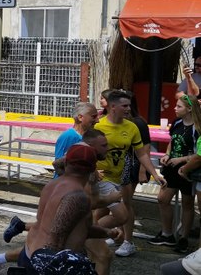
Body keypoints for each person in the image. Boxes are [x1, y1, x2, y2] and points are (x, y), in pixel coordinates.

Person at [94, 89, 166, 257]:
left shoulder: (132, 127)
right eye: (124, 105)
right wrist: (92, 170)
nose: (128, 108)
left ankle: (93, 232)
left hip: (121, 175)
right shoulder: (99, 126)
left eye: (129, 105)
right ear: (112, 106)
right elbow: (87, 149)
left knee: (120, 211)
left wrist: (155, 175)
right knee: (120, 214)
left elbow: (142, 153)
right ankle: (90, 231)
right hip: (102, 177)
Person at [19, 145, 109, 275]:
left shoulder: (53, 185)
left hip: (30, 253)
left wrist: (108, 232)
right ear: (93, 169)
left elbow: (80, 228)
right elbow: (55, 237)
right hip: (45, 263)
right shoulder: (77, 197)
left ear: (66, 163)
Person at [150, 94, 200, 253]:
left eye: (179, 106)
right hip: (172, 168)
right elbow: (172, 141)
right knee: (162, 199)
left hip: (188, 170)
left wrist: (181, 160)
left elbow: (199, 154)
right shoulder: (177, 122)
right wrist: (166, 154)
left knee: (187, 203)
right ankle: (167, 233)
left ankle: (184, 237)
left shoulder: (197, 128)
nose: (174, 108)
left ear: (189, 109)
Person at [54, 102, 99, 174]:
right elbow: (59, 166)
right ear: (80, 117)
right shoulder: (69, 136)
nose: (97, 120)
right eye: (93, 117)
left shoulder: (88, 136)